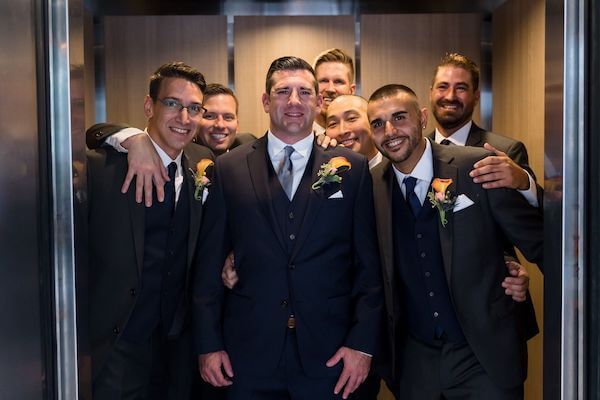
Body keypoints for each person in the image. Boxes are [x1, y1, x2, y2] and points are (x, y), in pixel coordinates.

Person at [192, 56, 383, 400]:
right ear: (266, 101)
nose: (294, 102)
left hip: (331, 355)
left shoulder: (352, 169)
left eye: (304, 92)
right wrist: (208, 345)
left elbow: (368, 268)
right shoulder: (230, 168)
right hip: (246, 354)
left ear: (317, 101)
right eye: (283, 92)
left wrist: (362, 345)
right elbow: (208, 266)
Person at [366, 84, 543, 399]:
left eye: (399, 117)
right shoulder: (371, 187)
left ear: (422, 118)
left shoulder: (475, 167)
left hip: (482, 357)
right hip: (415, 364)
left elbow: (542, 243)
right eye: (378, 123)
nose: (389, 131)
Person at [86, 62, 213, 399]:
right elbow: (90, 134)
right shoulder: (104, 166)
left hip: (177, 342)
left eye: (194, 108)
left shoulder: (204, 162)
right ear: (149, 106)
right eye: (172, 104)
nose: (184, 118)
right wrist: (129, 136)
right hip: (119, 339)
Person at [429, 52, 541, 336]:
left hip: (491, 310)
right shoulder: (413, 151)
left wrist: (522, 181)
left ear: (476, 96)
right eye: (443, 86)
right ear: (431, 92)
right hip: (429, 314)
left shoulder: (504, 150)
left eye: (461, 87)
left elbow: (533, 225)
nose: (450, 95)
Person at [85, 83, 255, 206]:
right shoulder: (173, 150)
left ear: (238, 123)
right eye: (209, 116)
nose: (220, 124)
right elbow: (95, 133)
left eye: (228, 117)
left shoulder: (248, 150)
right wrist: (136, 138)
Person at [325, 94, 382, 170]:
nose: (342, 131)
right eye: (333, 123)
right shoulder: (322, 173)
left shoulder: (397, 167)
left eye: (351, 118)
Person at [313, 48, 356, 135]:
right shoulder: (296, 136)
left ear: (351, 91)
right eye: (324, 81)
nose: (330, 89)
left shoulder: (361, 138)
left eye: (338, 81)